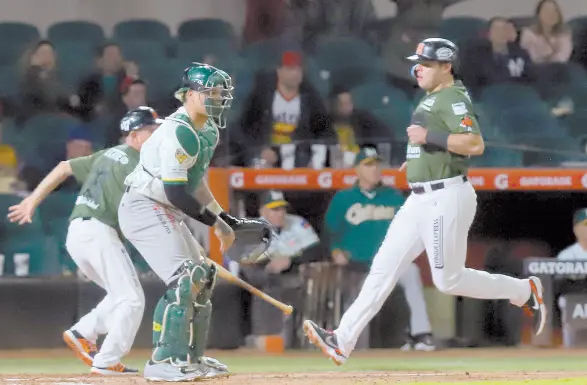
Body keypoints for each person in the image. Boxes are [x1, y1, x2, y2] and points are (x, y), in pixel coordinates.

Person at [303, 38, 547, 366]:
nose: (418, 68)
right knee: (383, 268)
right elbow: (431, 145)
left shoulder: (452, 98)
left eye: (427, 63)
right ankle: (341, 340)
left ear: (446, 66)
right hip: (420, 197)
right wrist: (417, 161)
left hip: (446, 196)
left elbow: (474, 144)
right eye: (417, 62)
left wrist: (429, 139)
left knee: (448, 280)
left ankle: (523, 291)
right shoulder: (431, 98)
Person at [6, 107, 161, 374]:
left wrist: (32, 199)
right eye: (151, 130)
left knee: (120, 296)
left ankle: (83, 331)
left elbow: (63, 167)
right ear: (134, 134)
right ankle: (107, 359)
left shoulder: (107, 155)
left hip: (78, 233)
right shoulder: (138, 161)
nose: (157, 135)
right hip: (99, 231)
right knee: (132, 300)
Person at [117, 62, 243, 381]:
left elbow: (195, 184)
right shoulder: (179, 131)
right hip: (143, 204)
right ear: (188, 95)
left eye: (220, 93)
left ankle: (192, 357)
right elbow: (176, 193)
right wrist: (216, 224)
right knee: (185, 277)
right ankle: (162, 361)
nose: (217, 98)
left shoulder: (208, 130)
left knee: (205, 275)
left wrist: (224, 217)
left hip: (162, 205)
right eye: (210, 92)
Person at [324, 147, 435, 351]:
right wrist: (335, 250)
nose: (374, 169)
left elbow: (412, 227)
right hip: (358, 266)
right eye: (368, 164)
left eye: (377, 164)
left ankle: (421, 334)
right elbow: (330, 232)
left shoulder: (393, 196)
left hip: (390, 264)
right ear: (356, 170)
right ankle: (344, 340)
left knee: (412, 272)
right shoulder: (344, 198)